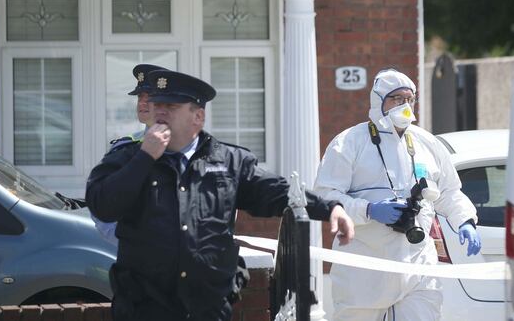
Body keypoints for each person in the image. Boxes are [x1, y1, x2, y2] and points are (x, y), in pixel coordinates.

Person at [86, 69, 355, 321]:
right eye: (158, 105)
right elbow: (103, 205)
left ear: (198, 117)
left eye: (172, 107)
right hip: (145, 309)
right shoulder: (127, 158)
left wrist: (329, 208)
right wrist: (145, 158)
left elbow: (275, 192)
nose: (161, 113)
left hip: (207, 309)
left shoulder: (228, 161)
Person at [314, 68, 481, 321]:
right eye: (397, 99)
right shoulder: (349, 142)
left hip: (417, 264)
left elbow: (449, 192)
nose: (405, 105)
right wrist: (369, 210)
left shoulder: (427, 143)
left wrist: (465, 221)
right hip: (364, 267)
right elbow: (325, 197)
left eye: (410, 99)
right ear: (378, 102)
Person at [92, 63, 165, 244]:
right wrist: (130, 241)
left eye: (150, 97)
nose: (142, 102)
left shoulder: (191, 150)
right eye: (140, 96)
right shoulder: (123, 149)